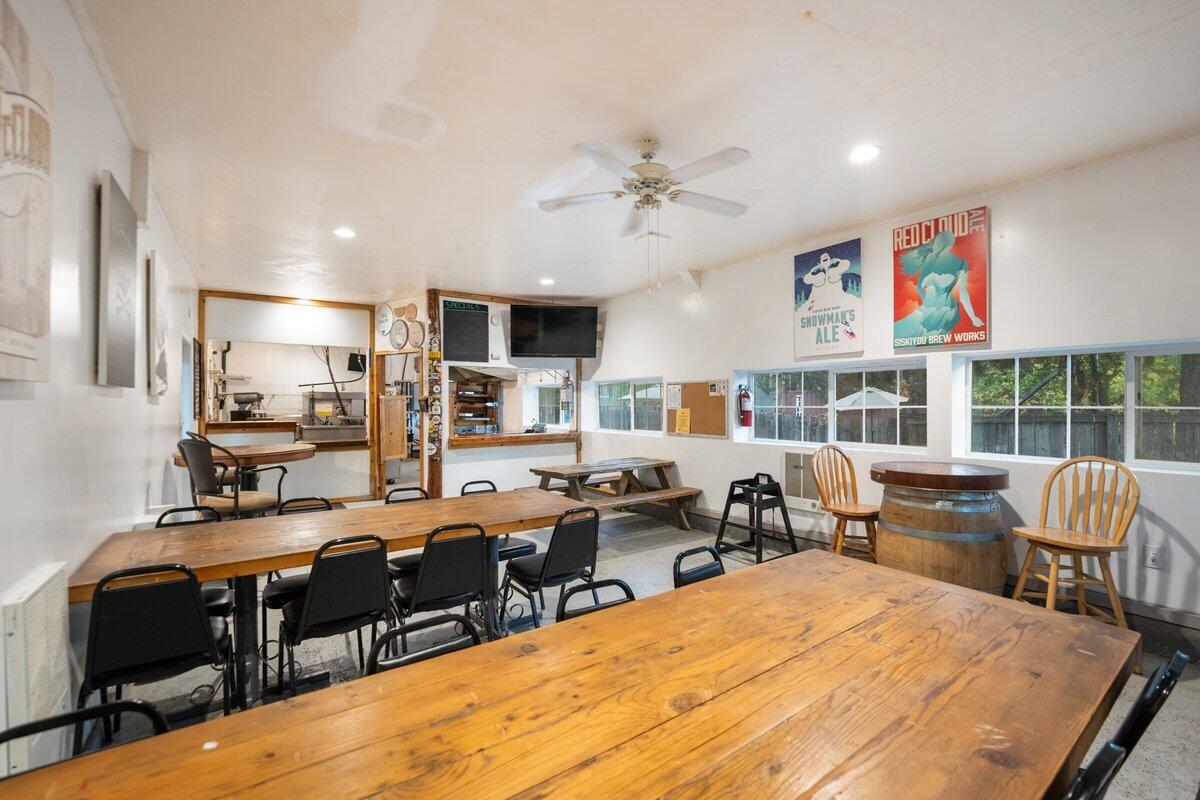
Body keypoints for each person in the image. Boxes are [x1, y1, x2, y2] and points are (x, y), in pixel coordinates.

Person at [894, 230, 983, 340]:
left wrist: (973, 318)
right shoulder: (932, 259)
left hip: (947, 313)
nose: (934, 245)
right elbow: (919, 286)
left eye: (937, 242)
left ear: (945, 244)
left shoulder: (960, 263)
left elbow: (963, 294)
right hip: (933, 311)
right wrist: (926, 304)